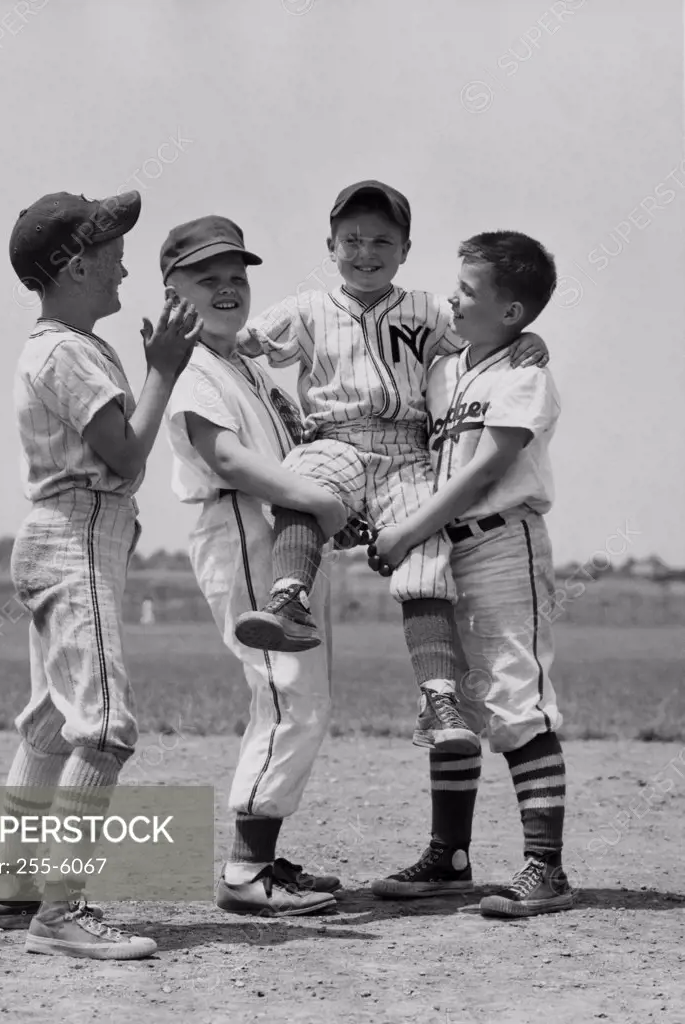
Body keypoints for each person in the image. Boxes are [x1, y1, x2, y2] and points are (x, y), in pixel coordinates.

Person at [233, 180, 547, 756]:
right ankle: (288, 602)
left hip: (407, 449)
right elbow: (242, 342)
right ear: (329, 246)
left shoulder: (429, 309)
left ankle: (439, 697)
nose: (365, 252)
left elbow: (490, 332)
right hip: (336, 436)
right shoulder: (307, 310)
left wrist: (529, 336)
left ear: (405, 248)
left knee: (426, 559)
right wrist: (189, 335)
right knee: (304, 483)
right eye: (351, 239)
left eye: (382, 239)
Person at [0, 189, 202, 959]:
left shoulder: (60, 344)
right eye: (109, 250)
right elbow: (129, 458)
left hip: (70, 535)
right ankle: (60, 911)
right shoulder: (65, 351)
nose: (123, 264)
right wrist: (164, 369)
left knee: (50, 723)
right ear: (73, 265)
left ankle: (13, 889)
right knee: (105, 726)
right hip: (72, 537)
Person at [370, 230, 572, 918]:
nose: (452, 298)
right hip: (443, 547)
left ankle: (545, 868)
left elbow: (488, 466)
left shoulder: (525, 374)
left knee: (518, 697)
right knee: (452, 702)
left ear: (511, 313)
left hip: (500, 541)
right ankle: (448, 859)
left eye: (467, 291)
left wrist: (407, 529)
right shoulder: (444, 367)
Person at [163, 215, 347, 917]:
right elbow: (228, 461)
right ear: (172, 290)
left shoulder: (242, 359)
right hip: (239, 524)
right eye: (206, 279)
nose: (227, 289)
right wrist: (318, 500)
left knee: (301, 693)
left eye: (236, 278)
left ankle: (261, 855)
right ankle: (244, 871)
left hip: (276, 531)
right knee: (287, 691)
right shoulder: (188, 365)